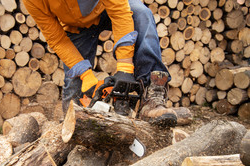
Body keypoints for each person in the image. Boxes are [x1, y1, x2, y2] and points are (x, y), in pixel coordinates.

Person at [23, 0, 178, 126]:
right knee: (74, 90)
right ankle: (75, 126)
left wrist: (125, 68)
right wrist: (85, 74)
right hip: (75, 27)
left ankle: (154, 96)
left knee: (141, 14)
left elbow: (119, 11)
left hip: (107, 6)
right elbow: (56, 39)